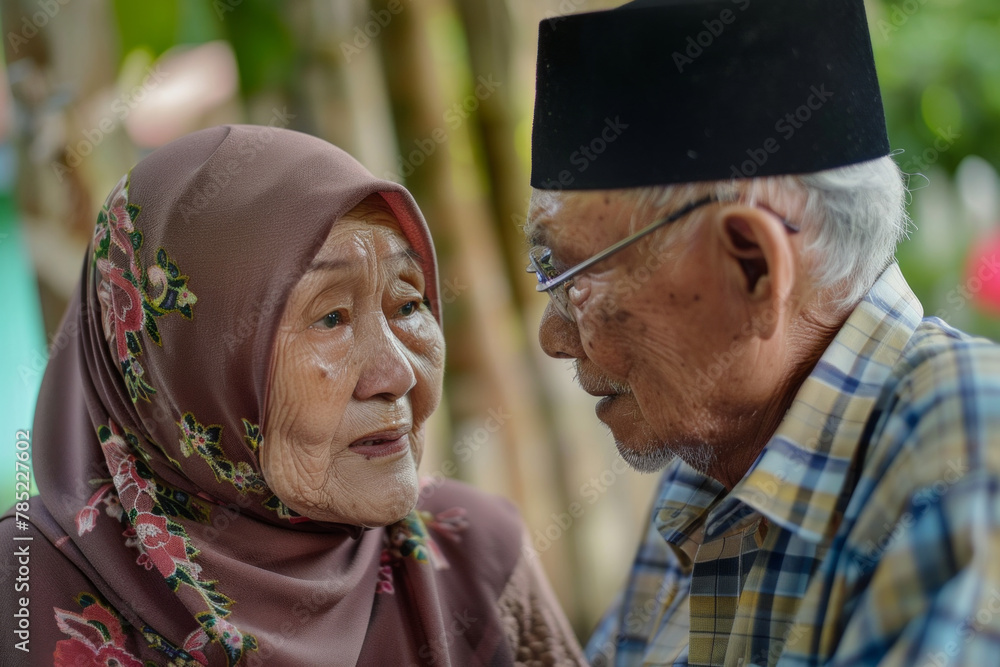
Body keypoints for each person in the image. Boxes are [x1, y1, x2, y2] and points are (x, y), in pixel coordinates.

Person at [524, 0, 1000, 665]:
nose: (553, 334)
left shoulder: (972, 444)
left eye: (572, 276)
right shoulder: (714, 470)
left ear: (750, 267)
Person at [0, 125, 585, 666]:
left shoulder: (476, 552)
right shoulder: (22, 589)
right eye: (330, 317)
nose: (397, 373)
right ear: (183, 366)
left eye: (408, 304)